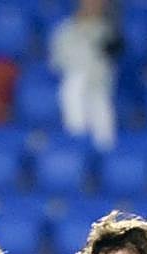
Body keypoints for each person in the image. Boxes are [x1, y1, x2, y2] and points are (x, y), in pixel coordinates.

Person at [49, 0, 118, 150]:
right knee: (74, 87)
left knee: (104, 135)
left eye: (97, 4)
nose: (92, 7)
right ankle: (77, 145)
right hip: (75, 80)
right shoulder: (65, 29)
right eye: (88, 3)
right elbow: (57, 61)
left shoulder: (107, 30)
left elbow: (112, 58)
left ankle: (102, 153)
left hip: (99, 85)